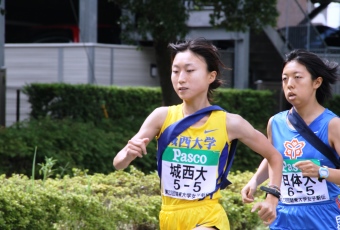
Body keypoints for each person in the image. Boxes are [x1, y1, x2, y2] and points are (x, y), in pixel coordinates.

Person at [113, 38, 283, 230]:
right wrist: (128, 152)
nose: (181, 78)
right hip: (169, 217)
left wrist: (272, 197)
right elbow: (118, 163)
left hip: (208, 217)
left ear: (211, 76)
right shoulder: (161, 116)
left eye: (190, 70)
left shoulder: (230, 122)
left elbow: (274, 156)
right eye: (175, 71)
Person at [241, 49, 340, 230]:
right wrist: (255, 181)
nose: (289, 84)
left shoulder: (333, 125)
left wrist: (323, 171)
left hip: (323, 217)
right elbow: (272, 158)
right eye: (285, 79)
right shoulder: (276, 123)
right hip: (284, 215)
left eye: (297, 77)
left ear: (316, 82)